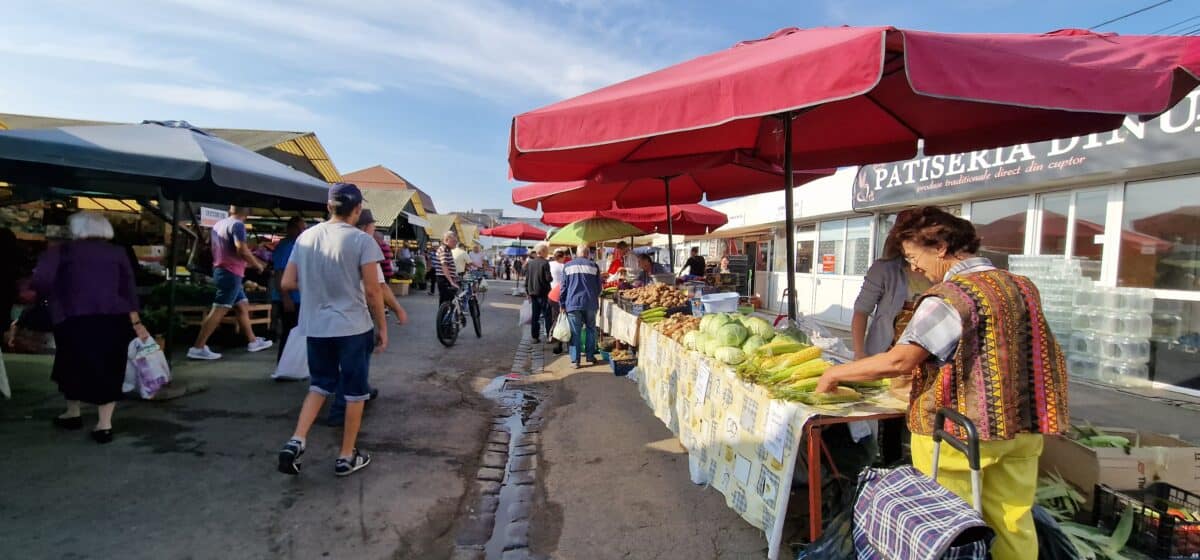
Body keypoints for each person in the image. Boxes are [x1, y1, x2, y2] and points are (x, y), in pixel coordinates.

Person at [814, 207, 1069, 560]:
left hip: (960, 433)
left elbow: (901, 359)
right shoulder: (1021, 285)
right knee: (1013, 521)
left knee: (952, 529)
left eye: (914, 256)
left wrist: (835, 373)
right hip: (1023, 429)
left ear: (941, 247)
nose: (914, 267)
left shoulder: (951, 296)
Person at [277, 183, 387, 478]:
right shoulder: (362, 241)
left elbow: (287, 283)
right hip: (352, 327)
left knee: (319, 385)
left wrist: (316, 287)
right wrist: (383, 327)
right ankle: (346, 456)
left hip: (315, 326)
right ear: (358, 209)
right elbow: (374, 293)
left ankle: (296, 440)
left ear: (329, 206)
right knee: (354, 393)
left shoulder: (305, 237)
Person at [32, 212, 149, 444]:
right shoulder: (117, 252)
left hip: (72, 317)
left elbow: (41, 280)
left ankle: (72, 413)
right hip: (113, 318)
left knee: (71, 362)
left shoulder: (62, 251)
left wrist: (55, 294)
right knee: (109, 367)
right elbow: (129, 289)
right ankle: (104, 425)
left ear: (76, 228)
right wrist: (136, 322)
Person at [189, 206, 272, 360]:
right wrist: (257, 264)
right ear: (248, 211)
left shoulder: (219, 224)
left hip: (223, 270)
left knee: (242, 305)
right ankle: (197, 347)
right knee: (219, 309)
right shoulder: (238, 225)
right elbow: (242, 249)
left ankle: (253, 341)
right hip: (231, 273)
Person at [851, 210, 933, 361]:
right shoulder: (883, 270)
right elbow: (861, 311)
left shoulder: (940, 274)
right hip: (884, 355)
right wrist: (859, 352)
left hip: (923, 358)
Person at [562, 243, 602, 368]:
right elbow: (598, 288)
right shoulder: (594, 266)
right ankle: (590, 356)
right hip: (590, 303)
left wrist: (562, 304)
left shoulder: (567, 266)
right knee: (591, 329)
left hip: (573, 303)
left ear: (577, 253)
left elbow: (564, 287)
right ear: (588, 253)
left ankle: (576, 361)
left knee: (575, 332)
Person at [272, 217, 306, 361]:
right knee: (289, 332)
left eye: (303, 228)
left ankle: (292, 365)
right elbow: (280, 273)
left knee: (296, 333)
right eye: (299, 228)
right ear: (291, 229)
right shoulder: (286, 246)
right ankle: (284, 365)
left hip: (298, 296)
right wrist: (286, 298)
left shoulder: (297, 245)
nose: (302, 231)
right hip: (289, 298)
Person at [525, 242, 553, 343]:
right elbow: (548, 278)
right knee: (547, 316)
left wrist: (527, 291)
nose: (548, 253)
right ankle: (549, 336)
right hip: (543, 293)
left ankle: (535, 337)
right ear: (543, 252)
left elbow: (527, 279)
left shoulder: (531, 263)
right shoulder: (545, 263)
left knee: (535, 316)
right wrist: (551, 277)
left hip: (533, 293)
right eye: (547, 251)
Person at [548, 247, 567, 354]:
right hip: (559, 294)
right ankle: (558, 342)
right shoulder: (564, 266)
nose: (565, 258)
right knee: (560, 320)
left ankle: (553, 338)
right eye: (564, 256)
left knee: (555, 318)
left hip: (552, 293)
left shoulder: (550, 264)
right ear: (561, 257)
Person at [435, 233, 461, 305]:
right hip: (444, 278)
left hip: (445, 278)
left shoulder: (447, 249)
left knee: (448, 301)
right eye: (454, 241)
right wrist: (451, 281)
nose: (455, 243)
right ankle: (444, 316)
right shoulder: (444, 250)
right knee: (445, 302)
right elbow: (444, 266)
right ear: (446, 240)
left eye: (456, 241)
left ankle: (446, 315)